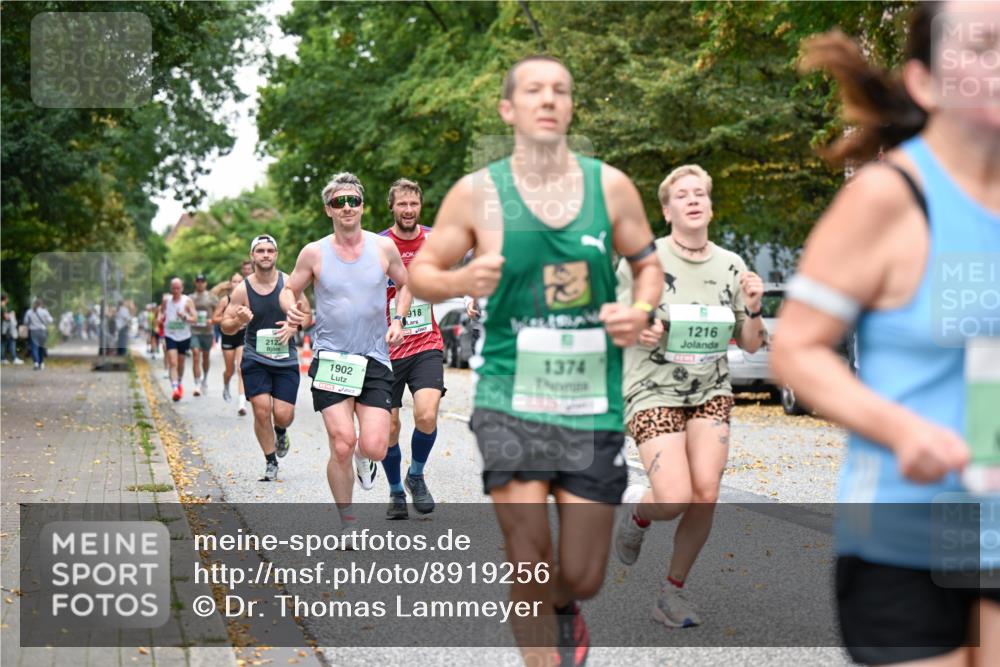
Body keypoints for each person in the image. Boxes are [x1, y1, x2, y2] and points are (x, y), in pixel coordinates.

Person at [408, 55, 663, 667]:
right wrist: (463, 277)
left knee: (582, 574)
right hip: (509, 402)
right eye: (533, 90)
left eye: (561, 90)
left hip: (590, 406)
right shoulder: (478, 194)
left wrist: (642, 306)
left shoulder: (611, 187)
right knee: (525, 553)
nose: (548, 99)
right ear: (508, 109)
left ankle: (565, 608)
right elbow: (421, 274)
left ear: (571, 107)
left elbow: (647, 262)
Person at [771, 3, 1000, 665]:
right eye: (981, 45)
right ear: (925, 82)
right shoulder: (890, 197)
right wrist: (903, 429)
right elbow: (796, 349)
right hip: (907, 524)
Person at [612, 164, 765, 628]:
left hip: (710, 391)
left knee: (705, 493)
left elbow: (753, 342)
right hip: (652, 388)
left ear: (711, 205)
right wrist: (638, 327)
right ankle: (640, 513)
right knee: (674, 496)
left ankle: (671, 593)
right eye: (683, 194)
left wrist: (755, 308)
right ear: (667, 208)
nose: (694, 199)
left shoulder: (733, 265)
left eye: (701, 193)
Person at [280, 172, 407, 532]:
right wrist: (291, 306)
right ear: (328, 210)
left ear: (363, 206)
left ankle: (366, 460)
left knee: (376, 446)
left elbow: (406, 284)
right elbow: (289, 289)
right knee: (341, 443)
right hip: (332, 358)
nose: (347, 207)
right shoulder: (314, 252)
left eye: (353, 200)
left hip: (374, 358)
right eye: (339, 202)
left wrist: (397, 319)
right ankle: (347, 520)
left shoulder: (382, 248)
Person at [222, 235, 310, 482]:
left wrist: (295, 325)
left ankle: (281, 431)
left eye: (270, 250)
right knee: (261, 411)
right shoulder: (242, 289)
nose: (265, 255)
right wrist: (238, 321)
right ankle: (271, 461)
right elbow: (225, 325)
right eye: (260, 250)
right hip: (255, 358)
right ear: (252, 256)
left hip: (285, 359)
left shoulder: (290, 283)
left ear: (277, 254)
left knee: (282, 414)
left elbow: (308, 316)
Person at [213, 272, 249, 415]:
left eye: (240, 281)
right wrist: (229, 319)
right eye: (234, 281)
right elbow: (215, 318)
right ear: (230, 284)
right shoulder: (225, 300)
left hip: (242, 336)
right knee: (230, 370)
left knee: (241, 368)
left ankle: (242, 403)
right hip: (228, 336)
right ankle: (226, 384)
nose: (237, 283)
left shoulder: (247, 299)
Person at [160, 278, 197, 401]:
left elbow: (195, 318)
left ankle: (179, 381)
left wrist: (184, 317)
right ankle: (175, 388)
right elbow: (161, 313)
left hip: (184, 336)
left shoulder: (187, 301)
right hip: (170, 335)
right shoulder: (166, 301)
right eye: (173, 288)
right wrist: (160, 318)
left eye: (178, 288)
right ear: (171, 289)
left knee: (181, 363)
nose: (176, 290)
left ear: (182, 288)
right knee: (173, 362)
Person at [189, 274, 219, 396]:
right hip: (194, 331)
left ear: (206, 283)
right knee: (196, 355)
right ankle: (197, 384)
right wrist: (190, 318)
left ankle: (204, 378)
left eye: (202, 281)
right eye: (198, 281)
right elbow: (186, 312)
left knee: (205, 357)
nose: (200, 283)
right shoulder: (190, 298)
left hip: (207, 331)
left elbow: (218, 311)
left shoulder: (211, 297)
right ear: (195, 283)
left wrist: (212, 320)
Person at [24, 298, 54, 370]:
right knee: (41, 348)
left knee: (34, 348)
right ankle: (42, 363)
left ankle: (36, 363)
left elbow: (25, 322)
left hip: (33, 331)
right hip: (43, 331)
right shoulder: (44, 311)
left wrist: (31, 324)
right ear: (41, 304)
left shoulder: (29, 312)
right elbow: (50, 320)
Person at [1, 294, 22, 364]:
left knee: (3, 343)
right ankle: (13, 358)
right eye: (8, 298)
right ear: (6, 298)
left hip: (3, 328)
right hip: (5, 329)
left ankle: (3, 358)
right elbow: (6, 317)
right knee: (11, 342)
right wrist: (12, 314)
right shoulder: (2, 306)